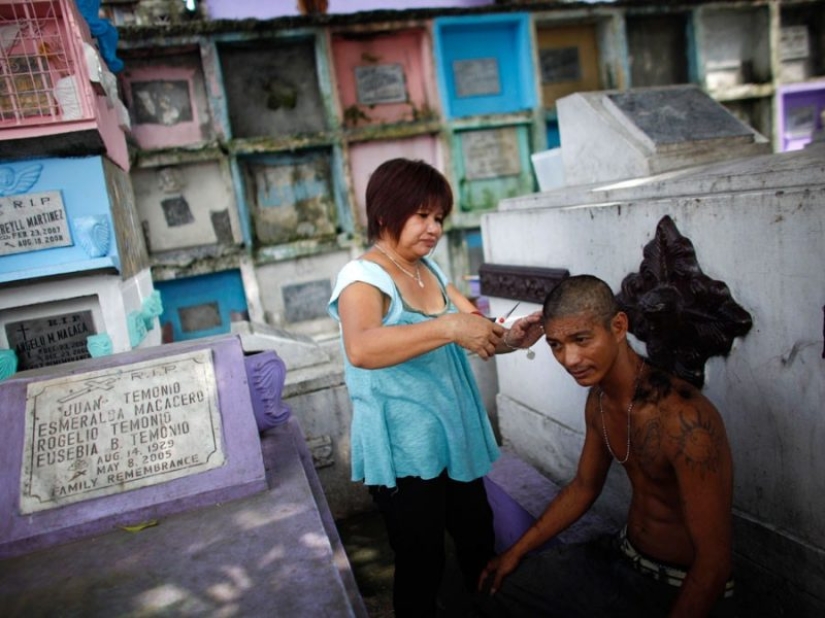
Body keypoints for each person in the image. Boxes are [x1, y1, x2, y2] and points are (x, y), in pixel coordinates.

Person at [327, 158, 543, 617]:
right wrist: (448, 327)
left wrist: (512, 337)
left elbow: (475, 328)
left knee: (477, 540)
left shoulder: (430, 270)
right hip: (406, 449)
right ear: (386, 212)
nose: (433, 228)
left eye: (439, 218)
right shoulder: (362, 277)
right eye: (421, 215)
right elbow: (362, 347)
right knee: (421, 560)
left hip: (453, 435)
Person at [474, 274, 735, 617]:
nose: (570, 359)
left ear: (618, 327)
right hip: (623, 556)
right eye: (556, 345)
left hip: (677, 583)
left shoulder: (685, 420)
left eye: (582, 339)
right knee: (502, 591)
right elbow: (584, 487)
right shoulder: (599, 400)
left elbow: (713, 565)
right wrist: (516, 551)